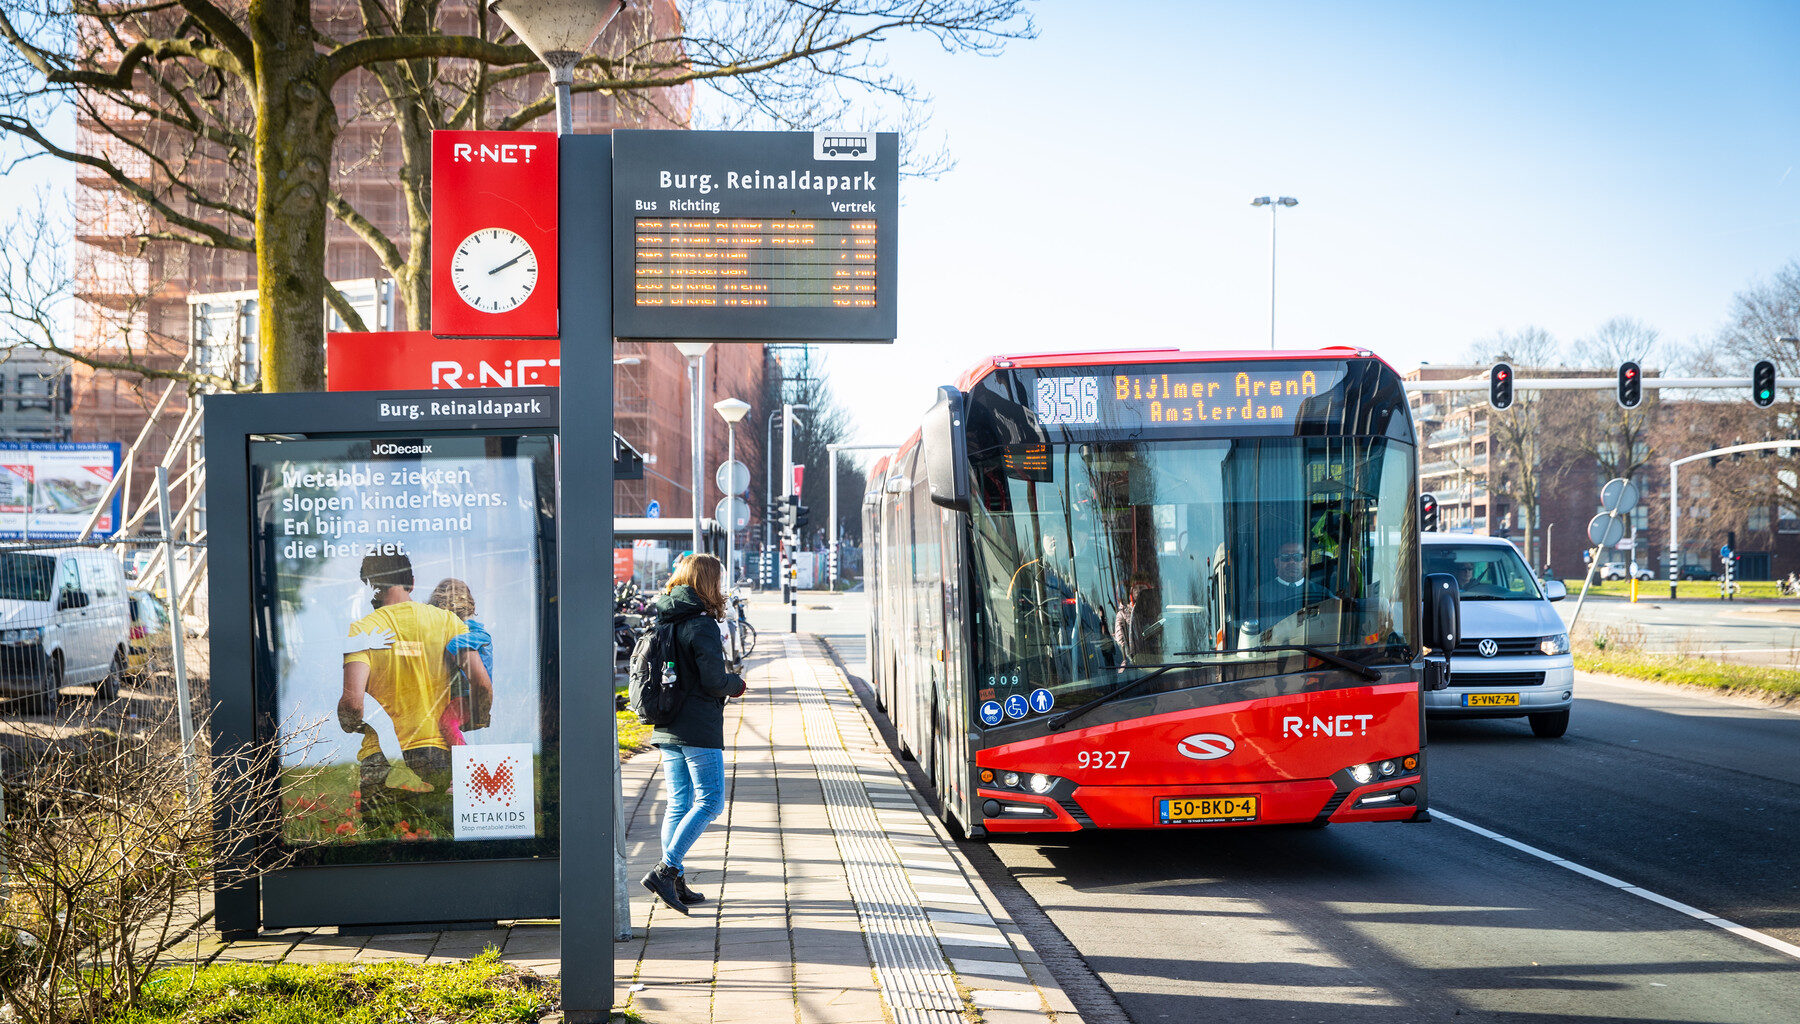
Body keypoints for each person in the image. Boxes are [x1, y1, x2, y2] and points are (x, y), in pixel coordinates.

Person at [339, 551, 492, 833]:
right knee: (443, 847)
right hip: (438, 755)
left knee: (380, 850)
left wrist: (347, 723)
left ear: (370, 586)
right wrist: (476, 718)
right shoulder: (449, 623)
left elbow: (352, 705)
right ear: (410, 581)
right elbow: (481, 683)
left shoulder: (361, 631)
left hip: (381, 758)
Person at [642, 553, 747, 915]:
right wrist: (738, 683)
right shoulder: (702, 625)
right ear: (708, 583)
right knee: (711, 801)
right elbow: (715, 681)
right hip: (697, 728)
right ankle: (665, 870)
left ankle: (676, 880)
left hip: (668, 725)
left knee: (678, 803)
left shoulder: (666, 618)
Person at [427, 578, 495, 746]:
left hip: (466, 697)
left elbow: (472, 641)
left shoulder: (471, 633)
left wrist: (453, 645)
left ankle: (464, 759)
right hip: (461, 696)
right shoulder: (472, 631)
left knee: (447, 723)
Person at [1255, 541, 1325, 624]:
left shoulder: (1321, 592)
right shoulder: (1261, 594)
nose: (1292, 562)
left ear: (1306, 562)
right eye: (1285, 557)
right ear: (1276, 563)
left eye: (1298, 557)